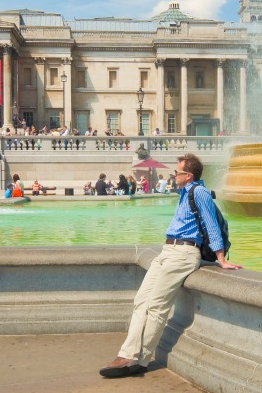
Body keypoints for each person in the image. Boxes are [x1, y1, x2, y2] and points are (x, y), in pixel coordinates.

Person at [99, 153, 241, 380]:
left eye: (178, 172)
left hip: (184, 253)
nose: (174, 176)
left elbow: (212, 226)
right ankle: (132, 356)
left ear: (189, 175)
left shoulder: (200, 192)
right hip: (168, 251)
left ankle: (135, 358)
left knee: (156, 305)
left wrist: (221, 259)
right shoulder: (184, 193)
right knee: (141, 301)